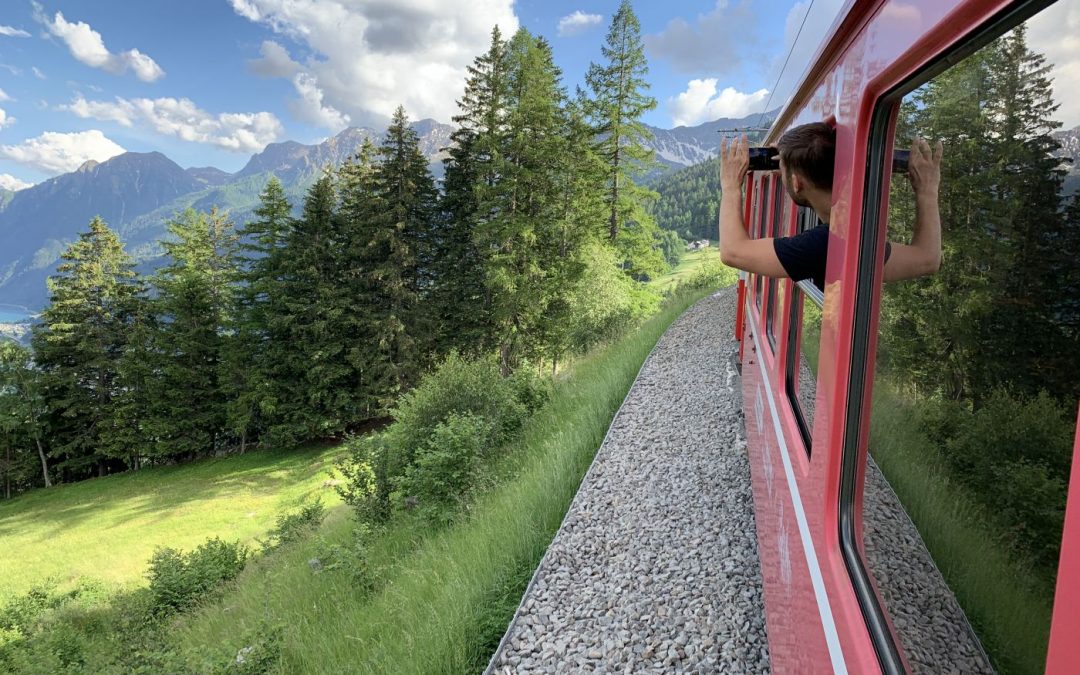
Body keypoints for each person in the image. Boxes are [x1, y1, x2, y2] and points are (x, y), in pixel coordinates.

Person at [718, 121, 943, 290]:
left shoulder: (823, 245)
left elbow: (733, 252)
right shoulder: (853, 230)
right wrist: (927, 191)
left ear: (797, 183)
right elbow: (927, 258)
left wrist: (730, 186)